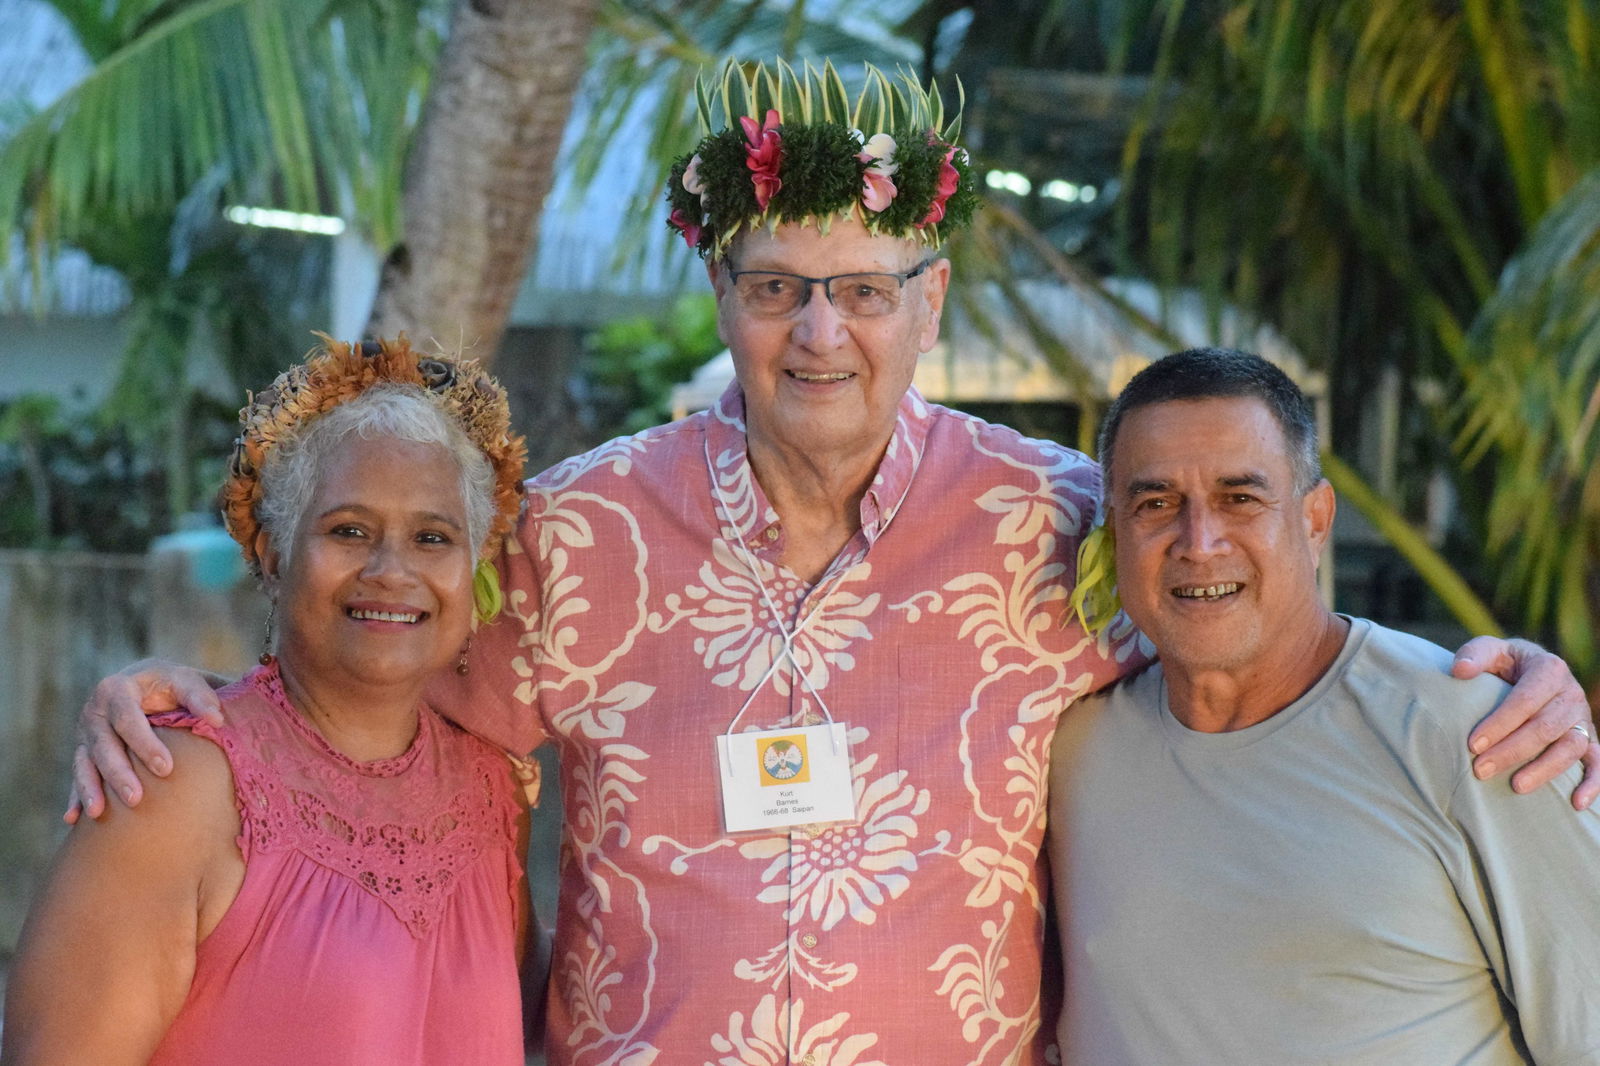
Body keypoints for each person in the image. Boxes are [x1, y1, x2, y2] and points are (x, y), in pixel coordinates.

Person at [68, 63, 1597, 1065]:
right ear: (718, 290)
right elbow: (376, 668)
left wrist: (1508, 687)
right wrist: (191, 702)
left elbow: (1244, 614)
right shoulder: (578, 534)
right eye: (779, 286)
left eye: (862, 291)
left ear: (926, 305)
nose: (820, 333)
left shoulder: (1067, 522)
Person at [1048, 347, 1600, 1065]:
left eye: (1240, 498)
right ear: (1114, 532)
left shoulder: (1483, 737)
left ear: (1315, 520)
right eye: (1156, 505)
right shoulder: (1070, 753)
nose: (1199, 542)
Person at [2, 338, 536, 1065]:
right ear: (276, 552)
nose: (391, 570)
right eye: (348, 530)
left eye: (432, 537)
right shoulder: (173, 785)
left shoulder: (492, 792)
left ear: (470, 571)